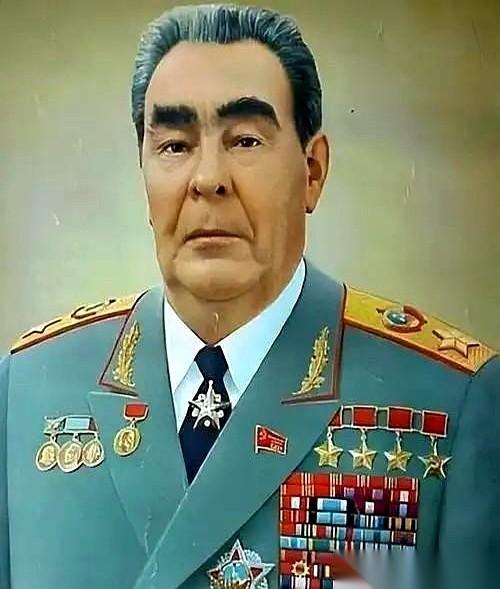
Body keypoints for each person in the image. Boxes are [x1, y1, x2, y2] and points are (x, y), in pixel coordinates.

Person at [0, 4, 498, 589]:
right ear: (143, 174)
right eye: (175, 145)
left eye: (244, 140)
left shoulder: (449, 401)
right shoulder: (28, 392)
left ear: (312, 171)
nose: (208, 178)